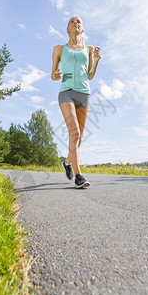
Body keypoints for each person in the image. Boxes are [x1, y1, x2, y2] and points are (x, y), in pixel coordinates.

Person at [51, 15, 101, 189]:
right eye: (72, 21)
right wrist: (55, 75)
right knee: (75, 132)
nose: (76, 23)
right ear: (67, 29)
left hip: (84, 93)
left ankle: (67, 163)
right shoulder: (58, 49)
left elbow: (90, 75)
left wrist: (96, 61)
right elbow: (53, 74)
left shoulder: (89, 49)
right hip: (66, 92)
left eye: (79, 21)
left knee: (78, 139)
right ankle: (78, 176)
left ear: (83, 28)